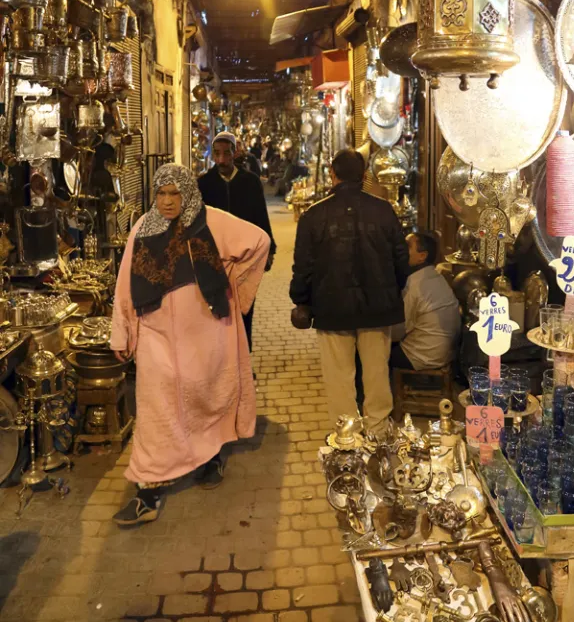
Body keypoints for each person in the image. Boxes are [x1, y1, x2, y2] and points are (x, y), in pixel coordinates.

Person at [109, 164, 269, 527]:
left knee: (207, 398)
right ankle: (147, 491)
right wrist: (123, 333)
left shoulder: (211, 221)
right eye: (161, 194)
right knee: (155, 411)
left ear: (188, 194)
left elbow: (259, 241)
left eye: (175, 194)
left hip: (207, 334)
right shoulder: (143, 229)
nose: (167, 202)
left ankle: (210, 457)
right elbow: (125, 287)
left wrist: (232, 283)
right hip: (156, 336)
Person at [290, 148, 409, 434]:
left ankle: (347, 435)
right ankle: (378, 430)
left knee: (339, 376)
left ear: (332, 174)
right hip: (379, 307)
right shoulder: (383, 210)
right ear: (365, 175)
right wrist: (392, 289)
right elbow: (401, 260)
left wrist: (301, 300)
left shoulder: (314, 215)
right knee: (377, 373)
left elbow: (302, 266)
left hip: (331, 307)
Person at [198, 132, 276, 350]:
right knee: (217, 308)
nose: (222, 160)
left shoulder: (250, 182)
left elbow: (261, 215)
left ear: (235, 153)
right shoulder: (204, 184)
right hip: (215, 257)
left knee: (244, 306)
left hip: (245, 255)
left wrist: (269, 250)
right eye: (217, 154)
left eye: (226, 153)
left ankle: (243, 357)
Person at [390, 231, 461, 371]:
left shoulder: (416, 284)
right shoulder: (435, 276)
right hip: (445, 352)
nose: (401, 251)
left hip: (422, 355)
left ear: (422, 256)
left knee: (370, 351)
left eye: (407, 246)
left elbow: (398, 332)